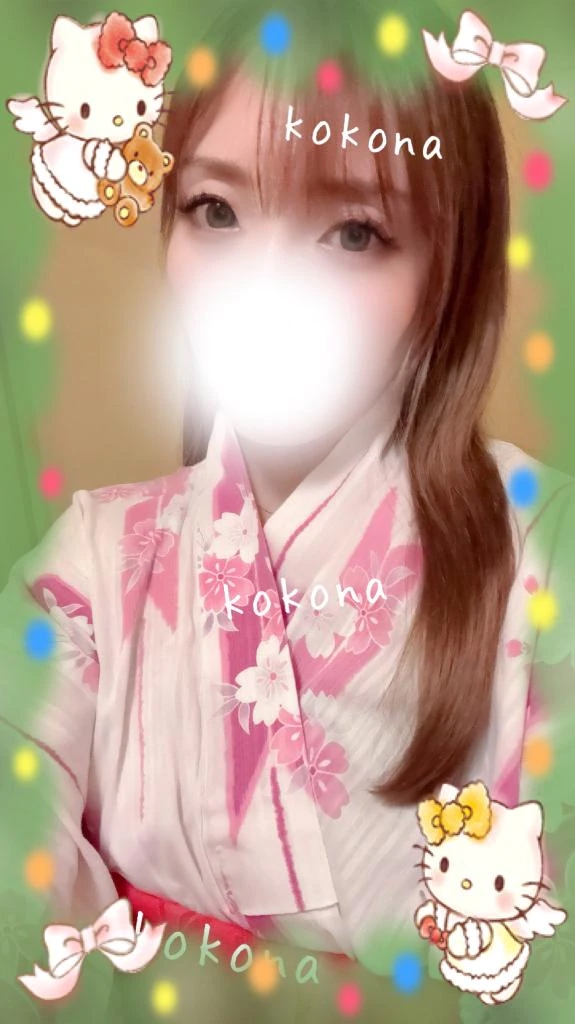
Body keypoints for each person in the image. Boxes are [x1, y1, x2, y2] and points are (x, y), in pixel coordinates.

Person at [1, 0, 573, 989]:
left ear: (448, 271)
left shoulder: (546, 553)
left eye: (352, 231)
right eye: (215, 211)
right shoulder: (88, 564)